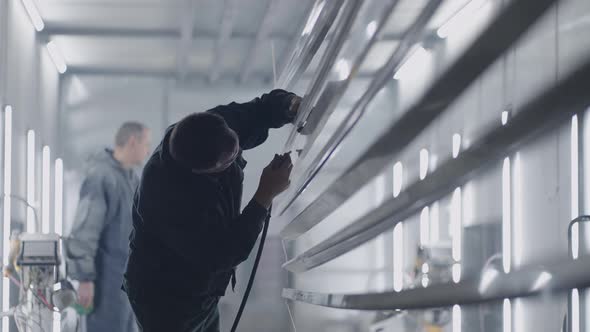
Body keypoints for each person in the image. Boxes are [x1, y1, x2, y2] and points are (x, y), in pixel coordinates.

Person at [123, 89, 300, 332]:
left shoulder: (205, 130)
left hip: (202, 291)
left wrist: (288, 106)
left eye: (237, 146)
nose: (237, 155)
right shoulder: (168, 200)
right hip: (164, 300)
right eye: (229, 161)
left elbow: (258, 110)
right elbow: (221, 253)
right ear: (201, 172)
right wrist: (264, 195)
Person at [65, 122, 151, 332]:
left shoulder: (131, 179)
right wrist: (85, 279)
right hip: (106, 282)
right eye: (145, 144)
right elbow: (85, 231)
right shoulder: (102, 177)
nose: (148, 150)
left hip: (126, 282)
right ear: (132, 142)